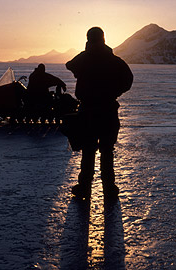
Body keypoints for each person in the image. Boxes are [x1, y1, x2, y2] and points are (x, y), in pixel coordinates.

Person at [66, 27, 133, 199]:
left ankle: (84, 187)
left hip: (88, 111)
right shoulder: (113, 59)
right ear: (103, 39)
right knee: (107, 151)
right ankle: (109, 188)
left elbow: (70, 65)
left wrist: (87, 53)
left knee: (88, 151)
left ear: (88, 39)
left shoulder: (85, 58)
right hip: (108, 111)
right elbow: (128, 79)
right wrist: (115, 91)